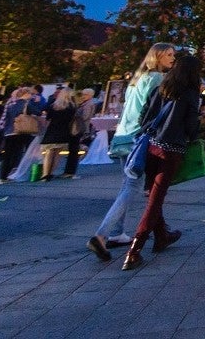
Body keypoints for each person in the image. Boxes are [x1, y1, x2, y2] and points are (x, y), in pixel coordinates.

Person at [87, 42, 175, 262]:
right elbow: (156, 109)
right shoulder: (157, 79)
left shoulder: (136, 81)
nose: (173, 58)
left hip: (122, 135)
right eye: (169, 55)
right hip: (139, 137)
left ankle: (117, 233)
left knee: (127, 185)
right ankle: (101, 235)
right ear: (158, 57)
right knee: (133, 187)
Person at [122, 53, 203, 271]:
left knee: (153, 193)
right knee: (155, 199)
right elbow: (190, 126)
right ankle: (134, 249)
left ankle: (162, 236)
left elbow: (143, 117)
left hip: (150, 147)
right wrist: (194, 133)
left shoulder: (161, 89)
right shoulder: (190, 94)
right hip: (171, 149)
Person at [0, 87, 44, 184]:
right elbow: (39, 113)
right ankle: (15, 172)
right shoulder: (27, 104)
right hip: (21, 132)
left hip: (9, 132)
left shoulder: (11, 105)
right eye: (30, 94)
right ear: (26, 94)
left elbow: (6, 119)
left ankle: (2, 177)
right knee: (17, 154)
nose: (32, 96)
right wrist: (38, 103)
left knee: (8, 155)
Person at [39, 87, 77, 181]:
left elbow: (48, 118)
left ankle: (45, 174)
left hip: (52, 129)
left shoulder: (54, 106)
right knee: (57, 153)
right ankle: (51, 172)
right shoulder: (72, 107)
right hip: (64, 130)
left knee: (49, 152)